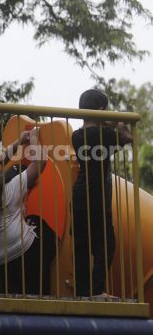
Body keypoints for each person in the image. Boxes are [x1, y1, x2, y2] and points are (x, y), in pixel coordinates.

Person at [0, 129, 56, 295]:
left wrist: (19, 141)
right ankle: (41, 291)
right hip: (16, 257)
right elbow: (40, 161)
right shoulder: (14, 186)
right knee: (42, 227)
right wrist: (33, 138)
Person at [72, 89, 132, 297]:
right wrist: (115, 121)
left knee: (81, 247)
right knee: (106, 244)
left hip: (78, 197)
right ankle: (97, 290)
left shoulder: (77, 136)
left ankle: (81, 292)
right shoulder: (104, 135)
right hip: (97, 199)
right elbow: (126, 137)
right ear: (101, 111)